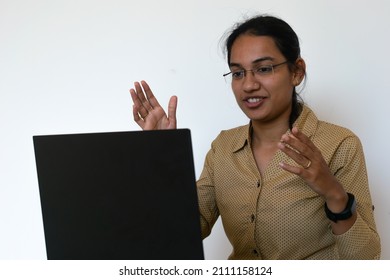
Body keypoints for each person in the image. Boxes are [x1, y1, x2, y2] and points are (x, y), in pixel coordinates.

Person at [129, 15, 381, 259]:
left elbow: (366, 261)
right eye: (238, 73)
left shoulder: (339, 144)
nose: (248, 85)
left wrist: (334, 194)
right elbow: (179, 233)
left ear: (297, 72)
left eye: (263, 68)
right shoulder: (223, 148)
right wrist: (160, 153)